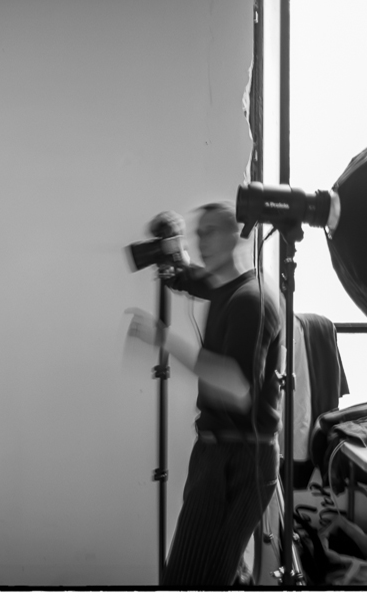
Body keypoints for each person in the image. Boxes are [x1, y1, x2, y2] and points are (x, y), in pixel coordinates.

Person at [126, 202, 282, 586]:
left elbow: (236, 386)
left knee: (190, 578)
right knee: (219, 573)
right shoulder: (224, 287)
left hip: (239, 460)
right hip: (218, 453)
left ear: (237, 236)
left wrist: (164, 339)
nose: (201, 241)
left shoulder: (251, 300)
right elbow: (191, 278)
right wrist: (172, 248)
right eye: (197, 233)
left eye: (209, 232)